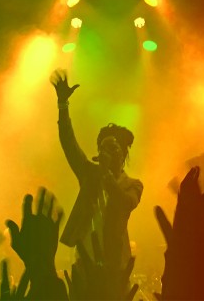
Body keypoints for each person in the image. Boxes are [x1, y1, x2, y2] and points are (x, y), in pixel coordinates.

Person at [50, 69, 143, 272]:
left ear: (123, 153)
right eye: (103, 148)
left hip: (115, 263)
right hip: (85, 260)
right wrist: (63, 105)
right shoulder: (89, 173)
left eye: (113, 147)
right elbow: (69, 143)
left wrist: (107, 174)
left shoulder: (133, 185)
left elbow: (125, 203)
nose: (108, 152)